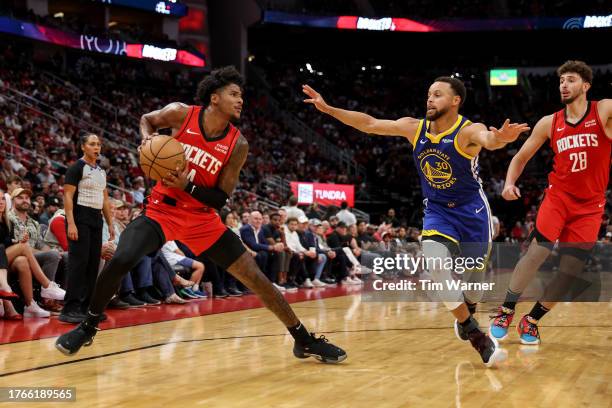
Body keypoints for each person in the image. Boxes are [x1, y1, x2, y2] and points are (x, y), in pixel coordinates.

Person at [56, 66, 346, 364]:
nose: (240, 100)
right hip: (161, 210)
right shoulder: (182, 114)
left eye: (242, 95)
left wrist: (188, 185)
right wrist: (146, 140)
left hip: (202, 219)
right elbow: (148, 120)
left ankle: (303, 339)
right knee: (121, 257)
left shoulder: (238, 145)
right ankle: (88, 326)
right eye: (234, 94)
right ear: (214, 97)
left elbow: (220, 198)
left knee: (258, 279)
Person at [303, 76, 529, 366]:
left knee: (474, 287)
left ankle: (467, 311)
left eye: (437, 94)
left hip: (472, 212)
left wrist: (501, 138)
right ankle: (477, 336)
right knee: (436, 265)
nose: (430, 99)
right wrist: (329, 109)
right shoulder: (414, 127)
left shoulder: (468, 130)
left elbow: (489, 139)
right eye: (428, 94)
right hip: (437, 211)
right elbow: (369, 123)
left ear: (455, 100)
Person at [490, 61, 612, 345]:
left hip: (591, 207)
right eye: (561, 81)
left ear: (586, 86)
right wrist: (509, 183)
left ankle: (531, 320)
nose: (564, 85)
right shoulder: (550, 122)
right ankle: (506, 310)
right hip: (558, 198)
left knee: (570, 272)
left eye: (570, 80)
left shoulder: (603, 110)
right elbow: (520, 157)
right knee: (536, 253)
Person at [59, 134, 115, 323]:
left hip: (96, 218)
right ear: (83, 147)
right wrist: (71, 222)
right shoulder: (76, 168)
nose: (96, 147)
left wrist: (110, 222)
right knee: (79, 264)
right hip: (80, 217)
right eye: (92, 144)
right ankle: (69, 308)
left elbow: (105, 199)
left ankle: (87, 308)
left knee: (93, 265)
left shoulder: (101, 171)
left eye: (98, 144)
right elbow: (67, 197)